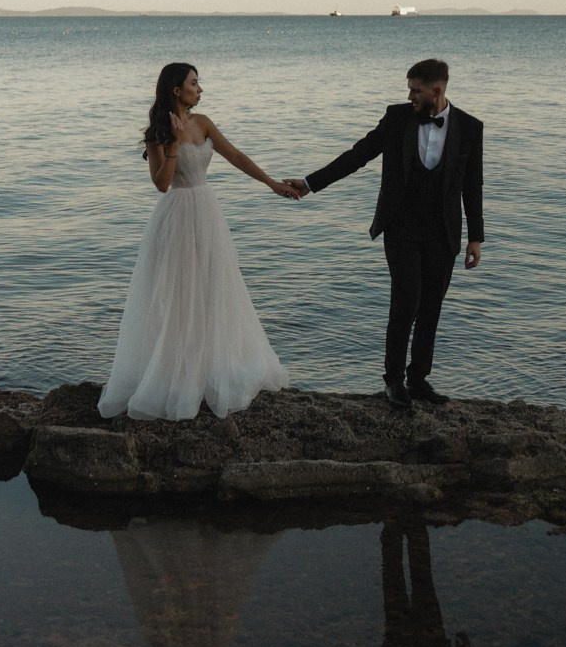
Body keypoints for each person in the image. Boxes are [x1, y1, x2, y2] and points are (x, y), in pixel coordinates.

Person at [281, 58, 485, 410]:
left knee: (432, 306)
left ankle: (419, 379)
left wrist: (476, 237)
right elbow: (357, 155)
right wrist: (311, 183)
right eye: (408, 89)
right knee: (406, 302)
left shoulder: (469, 127)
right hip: (401, 227)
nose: (410, 96)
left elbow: (472, 185)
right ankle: (394, 381)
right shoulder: (397, 118)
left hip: (443, 232)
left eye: (415, 90)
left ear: (437, 90)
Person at [98, 63, 297, 420]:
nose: (200, 89)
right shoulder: (157, 133)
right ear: (176, 90)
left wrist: (270, 183)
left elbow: (235, 156)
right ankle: (176, 373)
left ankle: (210, 369)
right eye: (193, 83)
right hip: (176, 215)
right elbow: (162, 183)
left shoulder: (203, 122)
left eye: (198, 83)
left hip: (207, 213)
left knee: (212, 289)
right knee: (177, 295)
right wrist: (173, 142)